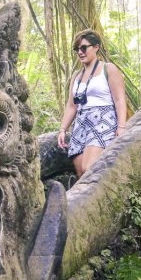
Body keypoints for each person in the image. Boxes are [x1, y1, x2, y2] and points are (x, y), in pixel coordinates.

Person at [57, 29, 128, 178]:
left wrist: (121, 127)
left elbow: (120, 99)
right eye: (77, 49)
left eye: (84, 48)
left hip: (102, 121)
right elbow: (72, 106)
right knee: (80, 172)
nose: (80, 52)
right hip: (81, 123)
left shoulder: (108, 69)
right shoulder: (76, 76)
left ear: (96, 47)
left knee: (89, 168)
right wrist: (63, 129)